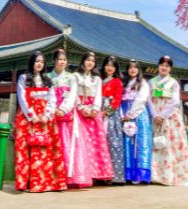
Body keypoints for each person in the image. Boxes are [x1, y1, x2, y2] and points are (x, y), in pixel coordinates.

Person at [14, 51, 67, 192]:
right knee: (25, 149)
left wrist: (47, 114)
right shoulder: (24, 78)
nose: (39, 64)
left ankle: (47, 183)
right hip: (27, 117)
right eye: (37, 61)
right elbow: (22, 98)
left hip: (45, 118)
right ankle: (26, 183)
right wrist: (32, 115)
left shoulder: (47, 80)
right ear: (32, 62)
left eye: (42, 62)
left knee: (46, 150)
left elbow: (52, 99)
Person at [148, 55, 188, 186]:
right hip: (155, 115)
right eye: (162, 65)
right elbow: (149, 101)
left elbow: (174, 101)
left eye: (167, 66)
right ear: (158, 66)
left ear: (170, 69)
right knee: (156, 144)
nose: (164, 68)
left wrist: (162, 115)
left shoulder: (173, 83)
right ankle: (156, 175)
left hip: (169, 117)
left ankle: (170, 175)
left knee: (170, 143)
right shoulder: (151, 82)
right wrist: (154, 115)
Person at [70, 51, 114, 187]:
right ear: (83, 61)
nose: (90, 63)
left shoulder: (97, 79)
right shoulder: (75, 76)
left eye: (93, 61)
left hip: (93, 113)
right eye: (88, 60)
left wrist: (95, 108)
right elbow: (73, 94)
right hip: (80, 111)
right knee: (82, 142)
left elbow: (98, 95)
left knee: (96, 142)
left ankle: (98, 174)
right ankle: (83, 175)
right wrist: (81, 107)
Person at [47, 48, 79, 181]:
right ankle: (50, 175)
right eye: (59, 59)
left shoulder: (71, 77)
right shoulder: (48, 77)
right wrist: (52, 109)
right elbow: (46, 95)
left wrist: (63, 109)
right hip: (51, 112)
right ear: (54, 61)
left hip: (65, 114)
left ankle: (65, 176)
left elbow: (72, 95)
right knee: (51, 144)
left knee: (65, 144)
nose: (62, 62)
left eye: (64, 60)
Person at [120, 59, 152, 184]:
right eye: (130, 67)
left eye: (135, 67)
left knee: (141, 143)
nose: (132, 70)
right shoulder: (124, 83)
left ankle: (141, 174)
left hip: (139, 115)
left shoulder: (143, 83)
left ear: (138, 70)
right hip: (125, 113)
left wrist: (130, 114)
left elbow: (141, 100)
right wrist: (122, 115)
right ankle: (129, 174)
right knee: (127, 144)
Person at [100, 55, 125, 184]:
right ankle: (101, 174)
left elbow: (117, 100)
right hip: (98, 112)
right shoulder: (99, 80)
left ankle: (114, 175)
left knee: (113, 143)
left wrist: (106, 112)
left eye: (112, 66)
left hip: (111, 115)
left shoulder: (117, 82)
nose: (110, 68)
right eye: (108, 65)